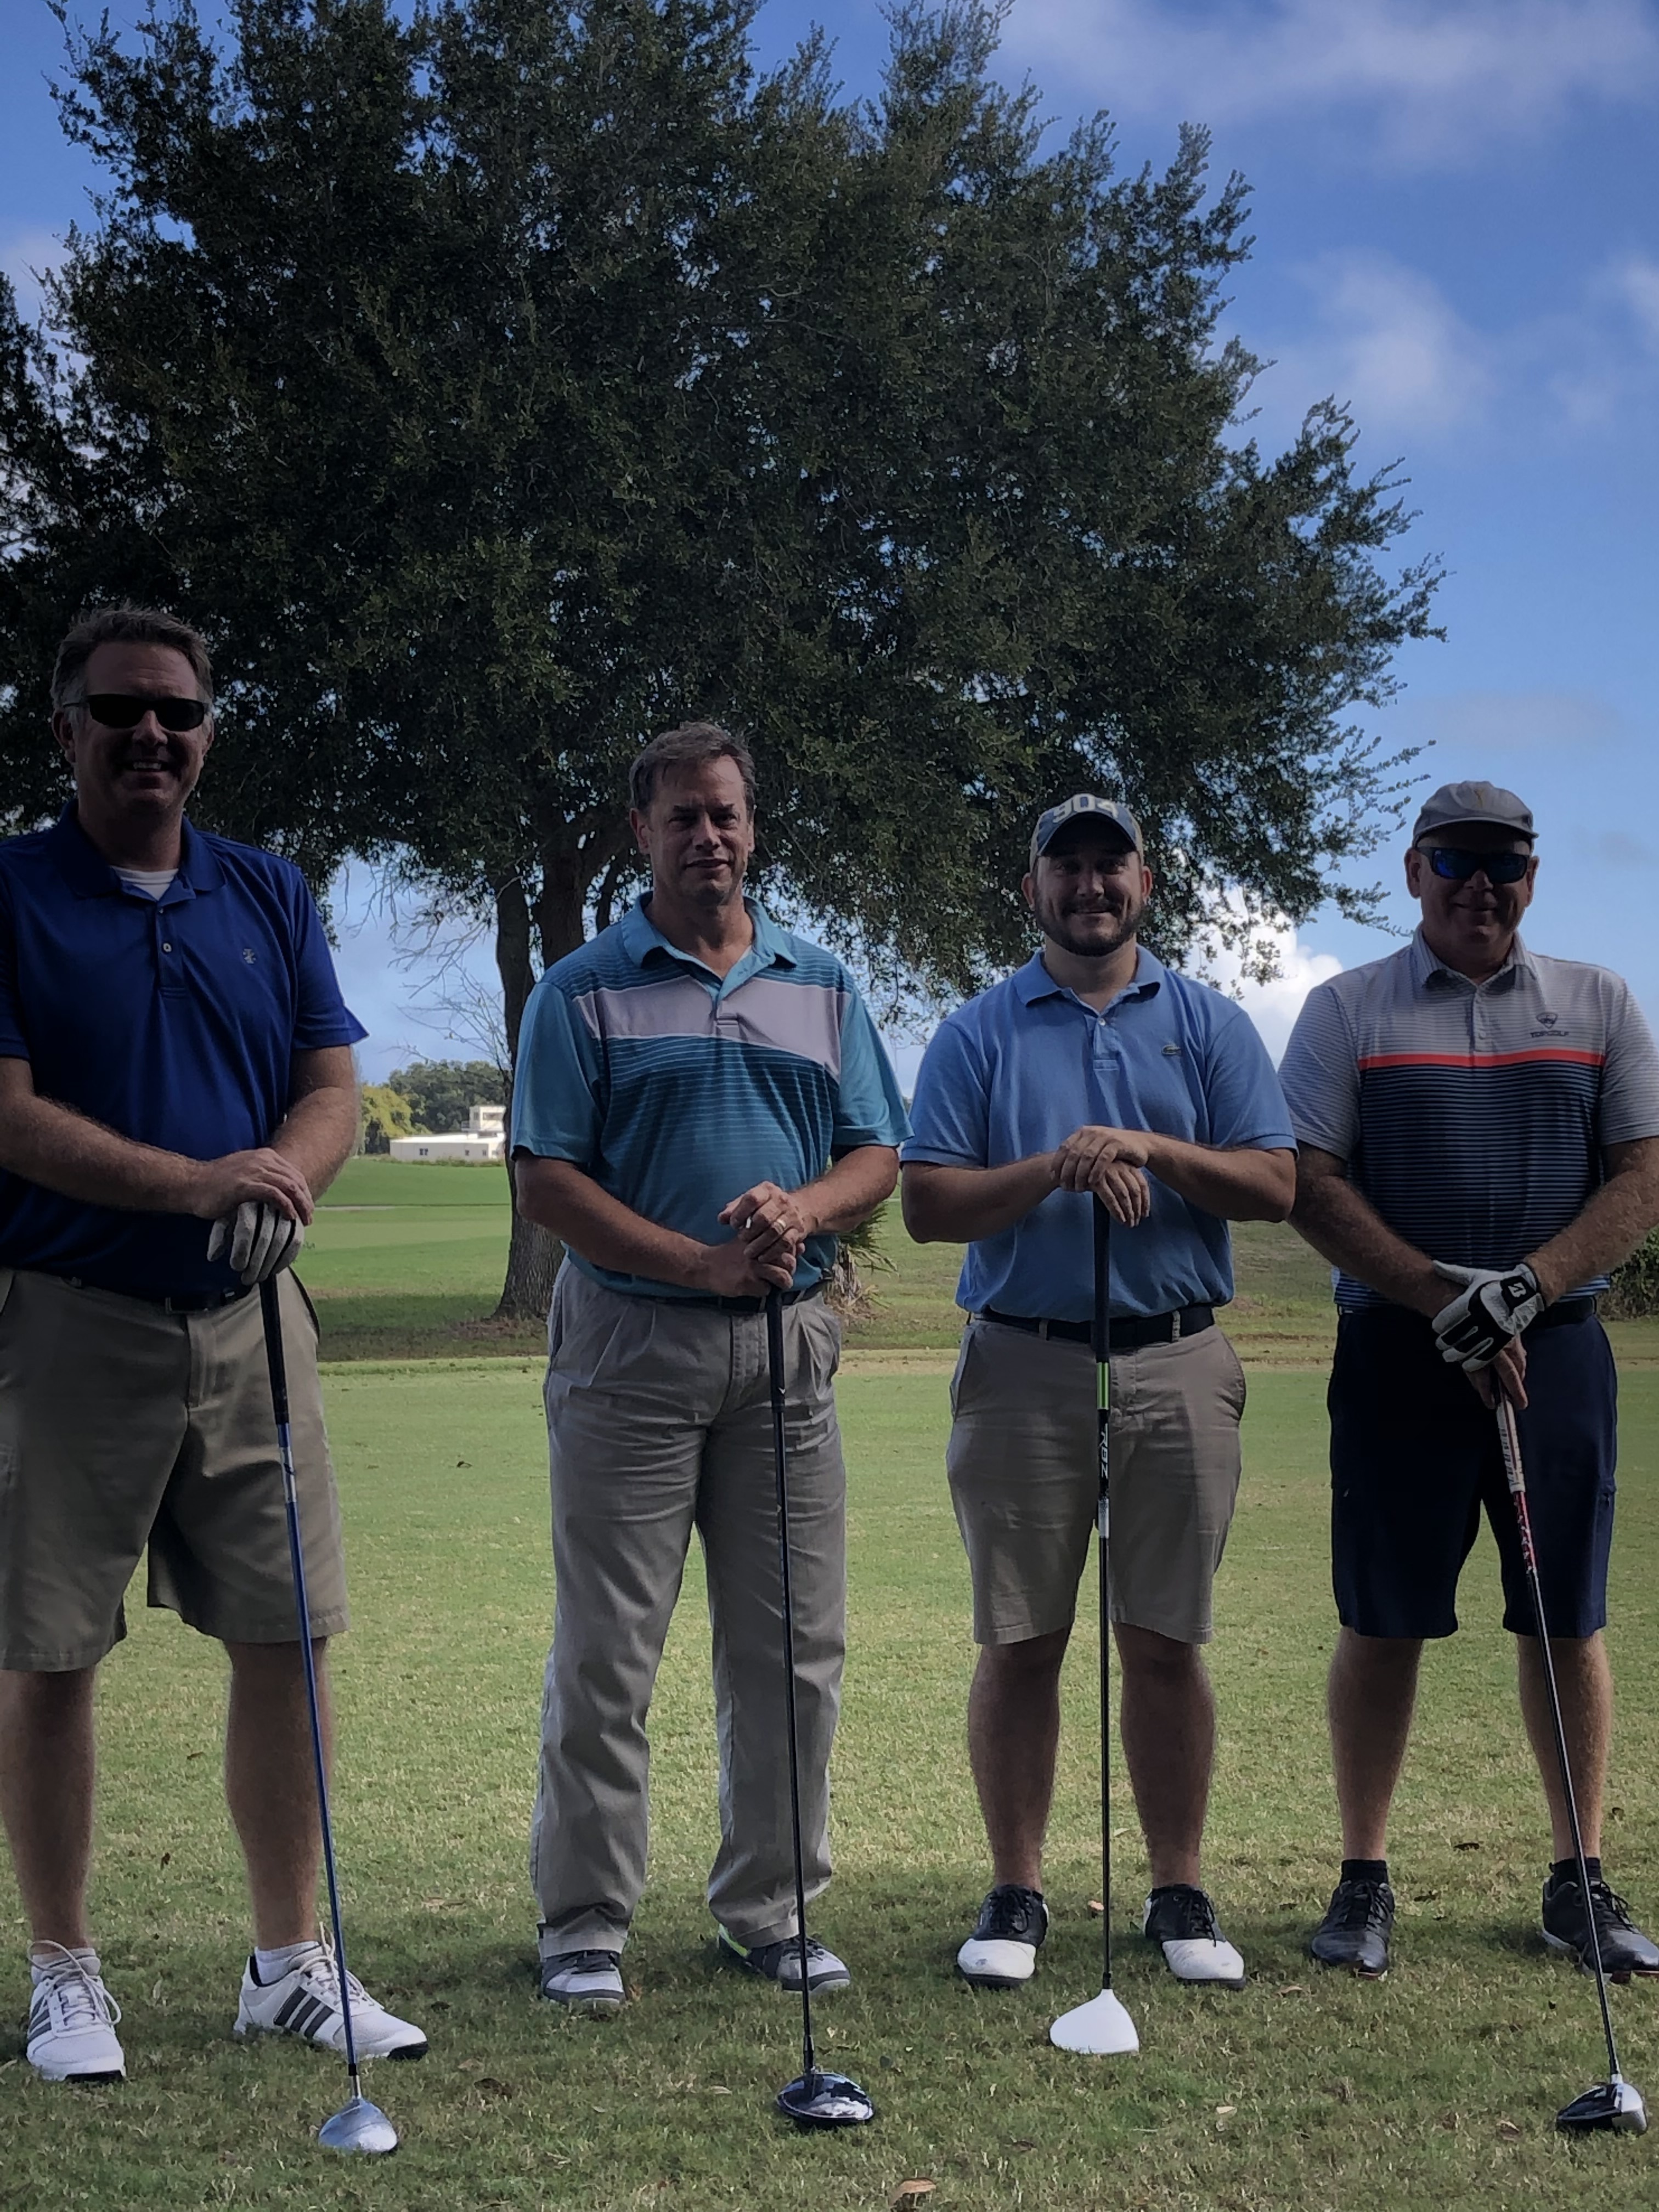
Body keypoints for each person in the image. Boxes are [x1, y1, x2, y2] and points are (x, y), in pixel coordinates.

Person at [0, 605, 425, 2083]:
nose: (151, 735)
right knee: (50, 1650)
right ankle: (65, 1975)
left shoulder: (266, 889)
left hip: (253, 1323)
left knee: (288, 1638)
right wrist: (197, 1183)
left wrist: (284, 1177)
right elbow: (7, 1116)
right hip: (68, 1319)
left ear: (207, 734)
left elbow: (329, 1086)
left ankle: (287, 1965)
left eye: (176, 713)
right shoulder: (12, 890)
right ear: (66, 730)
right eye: (119, 710)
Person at [510, 720, 908, 2015]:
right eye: (682, 816)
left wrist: (804, 1209)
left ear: (753, 825)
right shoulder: (581, 989)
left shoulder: (823, 984)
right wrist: (698, 1263)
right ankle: (584, 1923)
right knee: (609, 1652)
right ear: (643, 831)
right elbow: (547, 1180)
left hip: (786, 1350)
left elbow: (875, 1154)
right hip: (630, 1345)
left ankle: (772, 1909)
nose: (708, 837)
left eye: (725, 814)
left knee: (792, 1647)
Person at [900, 794, 1296, 1992]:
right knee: (1022, 1640)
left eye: (1109, 864)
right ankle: (1018, 1891)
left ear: (1146, 882)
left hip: (1176, 1357)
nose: (1089, 886)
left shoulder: (1210, 1024)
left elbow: (1274, 1185)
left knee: (1165, 1641)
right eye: (1064, 866)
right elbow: (927, 1205)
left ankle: (1178, 1889)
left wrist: (1146, 1147)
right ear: (1032, 888)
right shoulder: (977, 1031)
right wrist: (1057, 1165)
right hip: (1022, 1360)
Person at [1279, 779, 1659, 1980]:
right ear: (1415, 872)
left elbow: (1643, 1178)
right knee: (1382, 1617)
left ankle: (1578, 1876)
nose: (1480, 886)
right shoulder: (1347, 1009)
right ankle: (1363, 1878)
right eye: (1456, 862)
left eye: (1505, 864)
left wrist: (1526, 1290)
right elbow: (1311, 1182)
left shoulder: (1600, 1002)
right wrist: (1440, 1296)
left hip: (1557, 1351)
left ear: (1533, 878)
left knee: (1565, 1616)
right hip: (1400, 1352)